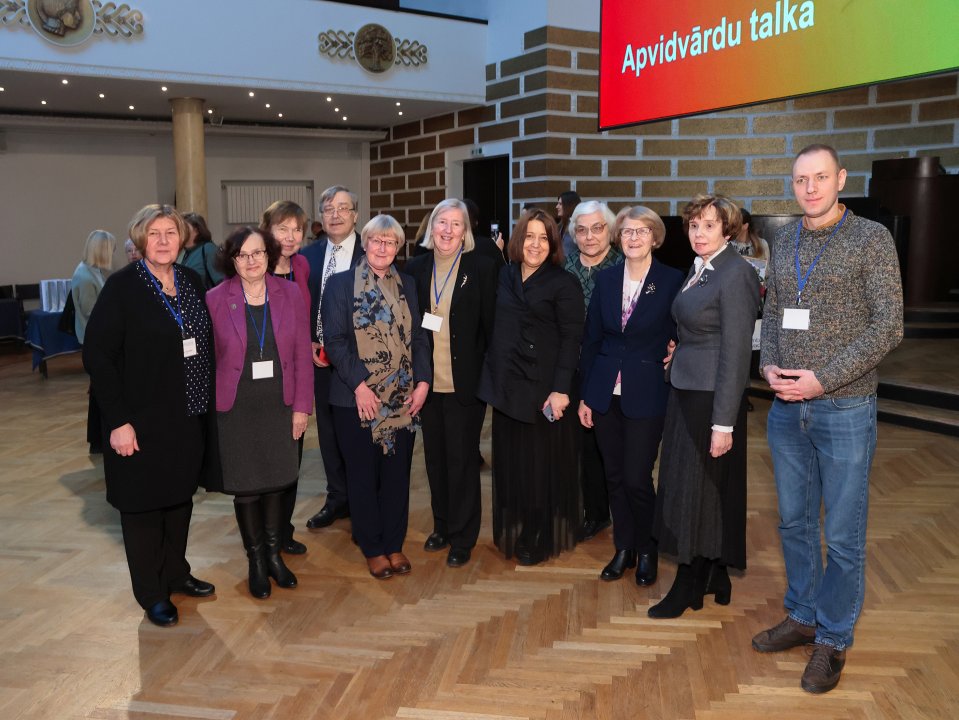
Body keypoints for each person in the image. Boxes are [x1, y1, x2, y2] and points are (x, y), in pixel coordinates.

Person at [752, 144, 903, 694]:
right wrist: (768, 363)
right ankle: (803, 613)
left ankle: (834, 637)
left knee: (841, 534)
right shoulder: (785, 239)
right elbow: (770, 313)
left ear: (840, 178)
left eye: (820, 177)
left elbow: (888, 326)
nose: (810, 188)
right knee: (793, 522)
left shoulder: (871, 239)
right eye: (800, 180)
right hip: (786, 408)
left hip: (844, 406)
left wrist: (824, 377)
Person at [83, 204, 215, 628]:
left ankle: (176, 573)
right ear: (141, 240)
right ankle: (151, 593)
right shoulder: (122, 288)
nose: (163, 241)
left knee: (178, 501)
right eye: (154, 233)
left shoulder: (192, 281)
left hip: (186, 417)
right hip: (138, 421)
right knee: (142, 508)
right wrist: (118, 421)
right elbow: (98, 356)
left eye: (170, 233)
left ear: (182, 239)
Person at [650, 194, 759, 620]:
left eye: (709, 226)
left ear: (727, 230)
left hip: (712, 398)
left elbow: (735, 353)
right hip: (687, 388)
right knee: (702, 487)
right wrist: (679, 350)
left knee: (696, 489)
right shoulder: (701, 268)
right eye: (694, 226)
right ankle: (715, 571)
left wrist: (723, 424)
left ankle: (688, 582)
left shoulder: (736, 273)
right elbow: (697, 326)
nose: (699, 233)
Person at [577, 207, 683, 584]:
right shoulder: (606, 280)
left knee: (638, 476)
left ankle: (648, 546)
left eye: (642, 232)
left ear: (655, 237)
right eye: (626, 233)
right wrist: (587, 396)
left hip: (647, 391)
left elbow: (684, 332)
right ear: (618, 239)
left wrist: (678, 351)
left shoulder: (671, 281)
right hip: (605, 391)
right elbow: (591, 341)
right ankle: (624, 547)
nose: (634, 238)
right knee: (615, 475)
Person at [206, 226, 313, 598]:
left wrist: (302, 408)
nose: (251, 261)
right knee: (247, 487)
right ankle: (255, 560)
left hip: (279, 405)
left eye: (258, 253)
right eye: (242, 255)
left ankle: (273, 556)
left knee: (276, 481)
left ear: (269, 255)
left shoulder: (290, 294)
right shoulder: (215, 298)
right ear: (231, 260)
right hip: (236, 409)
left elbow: (302, 354)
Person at [321, 215, 431, 579]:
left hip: (401, 397)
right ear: (364, 243)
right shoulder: (339, 285)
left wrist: (423, 383)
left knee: (397, 474)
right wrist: (360, 387)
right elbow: (334, 342)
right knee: (363, 475)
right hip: (356, 398)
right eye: (376, 241)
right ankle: (371, 546)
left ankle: (394, 544)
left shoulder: (409, 285)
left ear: (399, 248)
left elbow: (418, 338)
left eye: (391, 243)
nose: (383, 248)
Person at [478, 209, 584, 566]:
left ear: (553, 243)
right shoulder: (504, 276)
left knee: (541, 465)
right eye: (529, 236)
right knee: (513, 463)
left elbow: (572, 340)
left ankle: (539, 529)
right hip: (507, 387)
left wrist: (561, 389)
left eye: (543, 237)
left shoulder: (563, 283)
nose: (535, 244)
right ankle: (522, 520)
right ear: (518, 240)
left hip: (544, 390)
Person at [405, 199, 497, 568]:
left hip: (465, 386)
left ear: (465, 232)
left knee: (461, 461)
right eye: (442, 222)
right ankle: (441, 525)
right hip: (427, 385)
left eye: (456, 224)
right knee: (435, 462)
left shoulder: (482, 267)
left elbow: (492, 330)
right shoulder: (415, 268)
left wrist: (489, 383)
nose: (447, 230)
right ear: (432, 227)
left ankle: (463, 535)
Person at [300, 186, 365, 530]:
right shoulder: (307, 258)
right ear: (321, 217)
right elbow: (301, 307)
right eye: (328, 209)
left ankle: (362, 500)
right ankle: (337, 497)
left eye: (343, 208)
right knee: (327, 433)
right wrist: (310, 341)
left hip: (359, 362)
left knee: (357, 434)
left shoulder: (372, 253)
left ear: (356, 214)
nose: (336, 214)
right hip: (320, 362)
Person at [565, 200, 622, 542]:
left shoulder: (623, 267)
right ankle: (586, 510)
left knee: (607, 448)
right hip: (569, 370)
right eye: (582, 230)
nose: (589, 237)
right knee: (578, 446)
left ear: (610, 231)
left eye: (597, 228)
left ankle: (605, 512)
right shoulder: (564, 268)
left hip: (610, 371)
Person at [260, 200, 311, 555]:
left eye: (297, 229)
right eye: (283, 228)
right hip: (261, 383)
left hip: (295, 378)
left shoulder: (303, 266)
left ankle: (283, 529)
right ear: (268, 230)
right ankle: (262, 534)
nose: (291, 237)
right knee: (262, 460)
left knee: (292, 458)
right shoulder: (253, 268)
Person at [72, 229, 116, 454]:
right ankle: (98, 439)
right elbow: (91, 310)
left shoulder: (92, 272)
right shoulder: (85, 276)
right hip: (94, 339)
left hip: (96, 337)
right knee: (100, 389)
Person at [72, 230, 116, 344]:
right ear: (102, 251)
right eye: (112, 250)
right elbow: (89, 311)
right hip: (94, 335)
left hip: (99, 331)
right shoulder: (85, 276)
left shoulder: (94, 270)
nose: (113, 254)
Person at [178, 213, 223, 288]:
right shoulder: (183, 252)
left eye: (185, 228)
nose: (181, 231)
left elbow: (221, 281)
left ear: (197, 230)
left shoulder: (208, 249)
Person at [555, 190, 581, 258]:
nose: (557, 206)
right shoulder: (562, 225)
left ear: (569, 205)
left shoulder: (577, 226)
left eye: (560, 204)